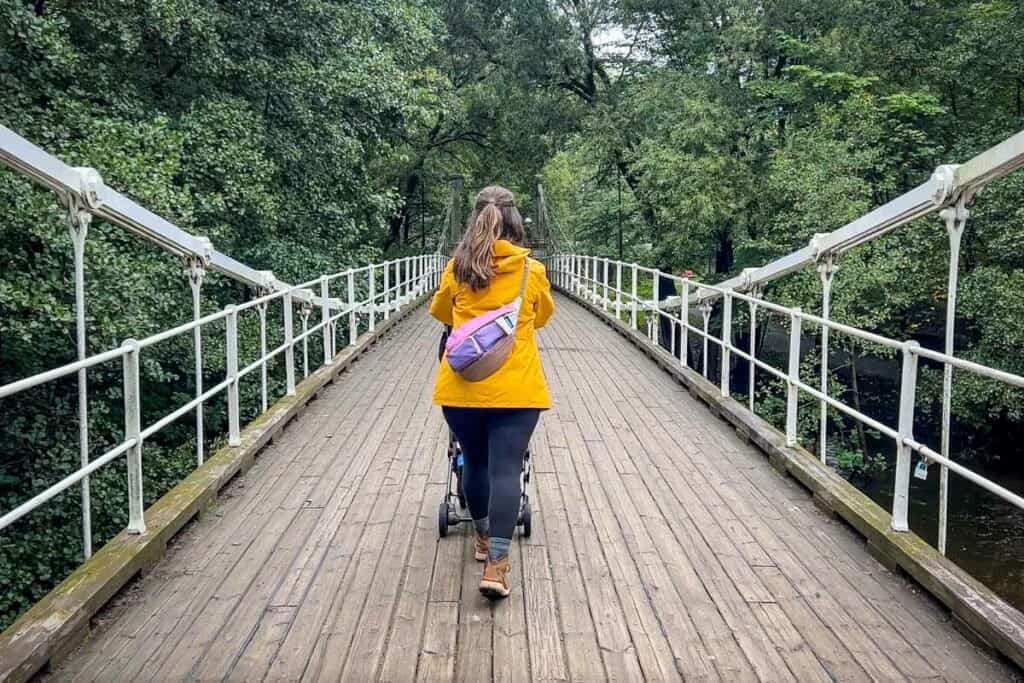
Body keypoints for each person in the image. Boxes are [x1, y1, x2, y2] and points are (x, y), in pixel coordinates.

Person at [430, 185, 555, 600]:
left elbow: (441, 313)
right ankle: (497, 568)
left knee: (476, 462)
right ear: (517, 223)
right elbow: (540, 320)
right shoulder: (530, 271)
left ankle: (481, 538)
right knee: (507, 469)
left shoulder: (457, 268)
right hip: (517, 388)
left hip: (462, 387)